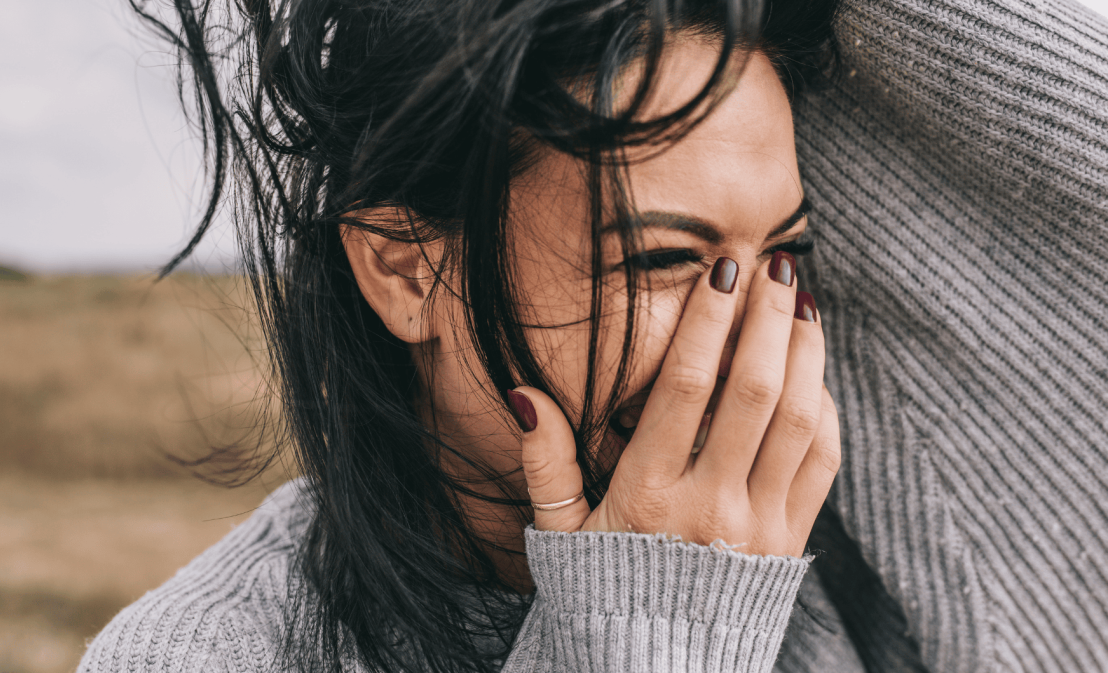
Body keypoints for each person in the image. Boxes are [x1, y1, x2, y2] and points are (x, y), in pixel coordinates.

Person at [80, 0, 1108, 671]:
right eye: (667, 262)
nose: (750, 355)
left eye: (785, 254)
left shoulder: (855, 520)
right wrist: (658, 630)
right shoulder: (202, 655)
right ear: (404, 266)